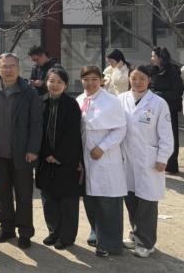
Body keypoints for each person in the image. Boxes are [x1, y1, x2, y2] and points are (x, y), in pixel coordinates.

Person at [0, 52, 42, 249]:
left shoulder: (29, 93)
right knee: (3, 194)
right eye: (4, 66)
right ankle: (7, 228)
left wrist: (33, 149)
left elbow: (36, 123)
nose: (8, 70)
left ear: (18, 68)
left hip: (23, 154)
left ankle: (25, 232)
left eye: (11, 66)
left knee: (24, 196)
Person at [120, 65, 174, 258]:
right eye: (134, 78)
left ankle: (146, 242)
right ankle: (136, 235)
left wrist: (162, 157)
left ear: (149, 80)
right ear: (129, 78)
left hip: (149, 160)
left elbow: (166, 134)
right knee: (130, 199)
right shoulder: (121, 99)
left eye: (142, 78)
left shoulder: (158, 103)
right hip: (127, 159)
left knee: (147, 203)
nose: (137, 82)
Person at [78, 65, 127, 258]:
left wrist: (103, 147)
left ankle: (111, 244)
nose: (90, 83)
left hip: (106, 159)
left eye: (94, 79)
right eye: (86, 79)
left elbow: (120, 129)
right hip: (86, 159)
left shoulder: (111, 101)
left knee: (109, 202)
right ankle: (96, 233)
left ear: (101, 80)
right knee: (90, 200)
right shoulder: (80, 100)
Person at [35, 67, 83, 250]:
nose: (55, 85)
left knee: (67, 200)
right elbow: (37, 130)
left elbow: (73, 134)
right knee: (48, 198)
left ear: (65, 85)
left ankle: (67, 236)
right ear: (46, 82)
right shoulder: (40, 102)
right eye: (51, 81)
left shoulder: (71, 105)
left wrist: (58, 155)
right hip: (45, 160)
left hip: (67, 159)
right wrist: (46, 153)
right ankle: (54, 232)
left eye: (59, 82)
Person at [150, 46, 184, 174]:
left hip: (170, 108)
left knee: (171, 136)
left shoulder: (173, 71)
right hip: (155, 108)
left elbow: (177, 91)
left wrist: (159, 95)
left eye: (153, 56)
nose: (151, 59)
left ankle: (172, 165)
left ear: (161, 58)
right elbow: (150, 87)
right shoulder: (153, 70)